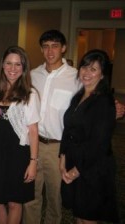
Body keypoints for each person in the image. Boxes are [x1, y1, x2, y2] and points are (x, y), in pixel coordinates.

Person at [23, 29, 125, 224]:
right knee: (30, 196)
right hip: (33, 144)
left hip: (58, 147)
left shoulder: (76, 77)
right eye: (45, 46)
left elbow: (96, 97)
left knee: (56, 198)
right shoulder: (32, 75)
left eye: (54, 46)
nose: (50, 51)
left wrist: (115, 107)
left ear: (63, 48)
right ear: (41, 49)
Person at [59, 49, 119, 223]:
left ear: (102, 75)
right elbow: (68, 128)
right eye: (85, 67)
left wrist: (77, 170)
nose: (87, 73)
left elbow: (99, 144)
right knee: (79, 214)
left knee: (90, 216)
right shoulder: (78, 96)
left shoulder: (104, 102)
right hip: (74, 161)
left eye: (94, 69)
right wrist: (62, 158)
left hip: (93, 168)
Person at [0, 46, 40, 224]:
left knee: (15, 203)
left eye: (18, 64)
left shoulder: (30, 94)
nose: (12, 68)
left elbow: (33, 131)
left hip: (17, 156)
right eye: (9, 63)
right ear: (3, 65)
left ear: (24, 68)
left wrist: (32, 162)